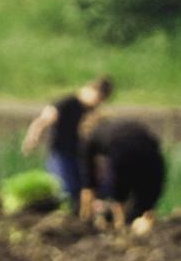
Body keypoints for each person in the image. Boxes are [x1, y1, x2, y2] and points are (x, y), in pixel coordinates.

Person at [21, 76, 113, 208]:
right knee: (65, 188)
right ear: (90, 90)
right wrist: (32, 138)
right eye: (98, 98)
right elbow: (42, 121)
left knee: (83, 188)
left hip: (79, 154)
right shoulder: (66, 103)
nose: (97, 103)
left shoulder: (92, 110)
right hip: (61, 152)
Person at [78, 117, 166, 236]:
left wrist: (85, 217)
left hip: (122, 150)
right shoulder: (118, 125)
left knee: (120, 198)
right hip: (152, 151)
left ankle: (121, 228)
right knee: (145, 202)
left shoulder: (91, 138)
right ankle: (144, 225)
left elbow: (88, 184)